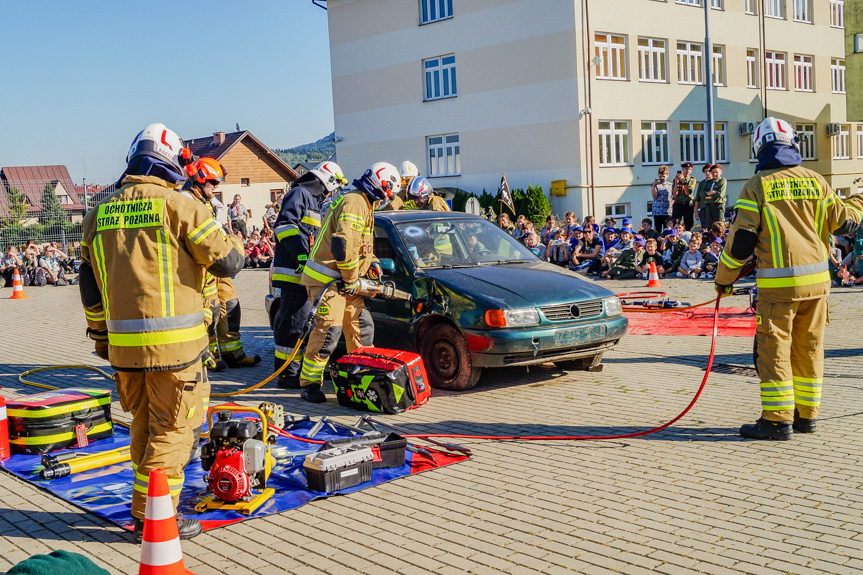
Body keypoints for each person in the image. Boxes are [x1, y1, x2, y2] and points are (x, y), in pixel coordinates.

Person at [79, 123, 245, 540]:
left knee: (144, 425)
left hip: (122, 351)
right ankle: (154, 519)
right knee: (173, 432)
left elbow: (88, 285)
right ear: (170, 161)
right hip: (177, 352)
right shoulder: (181, 206)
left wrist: (100, 336)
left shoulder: (97, 213)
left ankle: (144, 509)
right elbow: (228, 264)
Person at [715, 116, 863, 440]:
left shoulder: (756, 186)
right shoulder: (815, 180)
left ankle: (776, 421)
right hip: (818, 286)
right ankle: (806, 417)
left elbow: (740, 243)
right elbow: (845, 223)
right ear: (793, 143)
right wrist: (859, 200)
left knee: (774, 351)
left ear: (759, 148)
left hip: (779, 290)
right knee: (810, 349)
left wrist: (723, 280)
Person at [298, 162, 399, 403]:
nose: (389, 197)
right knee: (328, 331)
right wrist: (352, 280)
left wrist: (372, 261)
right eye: (389, 192)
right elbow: (342, 247)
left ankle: (361, 375)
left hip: (345, 280)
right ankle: (309, 384)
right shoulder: (355, 202)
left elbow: (360, 244)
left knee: (362, 327)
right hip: (328, 282)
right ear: (380, 185)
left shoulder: (365, 202)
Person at [272, 160, 347, 389]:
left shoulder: (311, 200)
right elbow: (284, 226)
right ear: (326, 181)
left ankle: (294, 370)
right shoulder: (300, 193)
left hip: (304, 272)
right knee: (294, 324)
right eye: (330, 189)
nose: (329, 194)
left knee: (303, 323)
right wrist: (302, 256)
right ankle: (288, 374)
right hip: (294, 272)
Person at [695, 164, 727, 232]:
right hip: (708, 205)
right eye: (713, 172)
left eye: (716, 172)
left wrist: (709, 196)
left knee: (719, 225)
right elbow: (701, 193)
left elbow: (720, 194)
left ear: (721, 172)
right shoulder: (707, 182)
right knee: (709, 225)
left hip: (718, 205)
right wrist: (710, 193)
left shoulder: (722, 181)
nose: (714, 174)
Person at [672, 162, 696, 230]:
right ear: (682, 169)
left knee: (688, 223)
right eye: (686, 169)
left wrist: (684, 182)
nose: (687, 171)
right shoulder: (676, 179)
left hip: (687, 204)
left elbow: (687, 193)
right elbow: (674, 194)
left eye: (689, 169)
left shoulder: (692, 179)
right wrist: (676, 183)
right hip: (678, 203)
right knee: (675, 222)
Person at [651, 166, 673, 232]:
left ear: (667, 175)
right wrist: (654, 185)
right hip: (658, 211)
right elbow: (654, 196)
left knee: (667, 230)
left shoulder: (670, 185)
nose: (662, 178)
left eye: (663, 176)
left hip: (667, 211)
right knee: (658, 230)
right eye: (660, 176)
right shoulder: (655, 184)